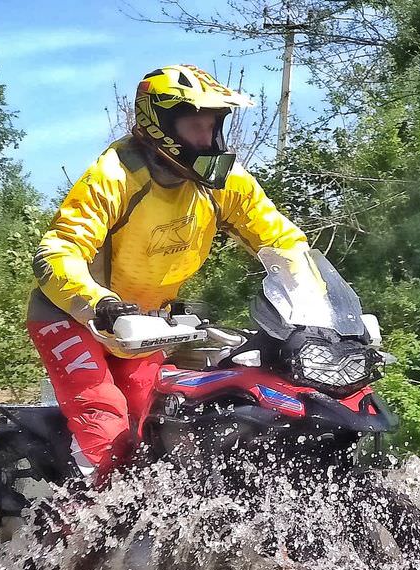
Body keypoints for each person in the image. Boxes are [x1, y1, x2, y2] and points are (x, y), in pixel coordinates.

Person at [29, 64, 307, 481]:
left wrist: (315, 300)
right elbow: (55, 252)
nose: (207, 138)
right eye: (196, 125)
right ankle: (67, 540)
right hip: (74, 316)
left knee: (157, 433)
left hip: (145, 325)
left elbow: (282, 240)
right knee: (107, 428)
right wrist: (99, 303)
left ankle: (155, 537)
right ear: (160, 126)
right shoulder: (116, 174)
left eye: (212, 125)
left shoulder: (225, 183)